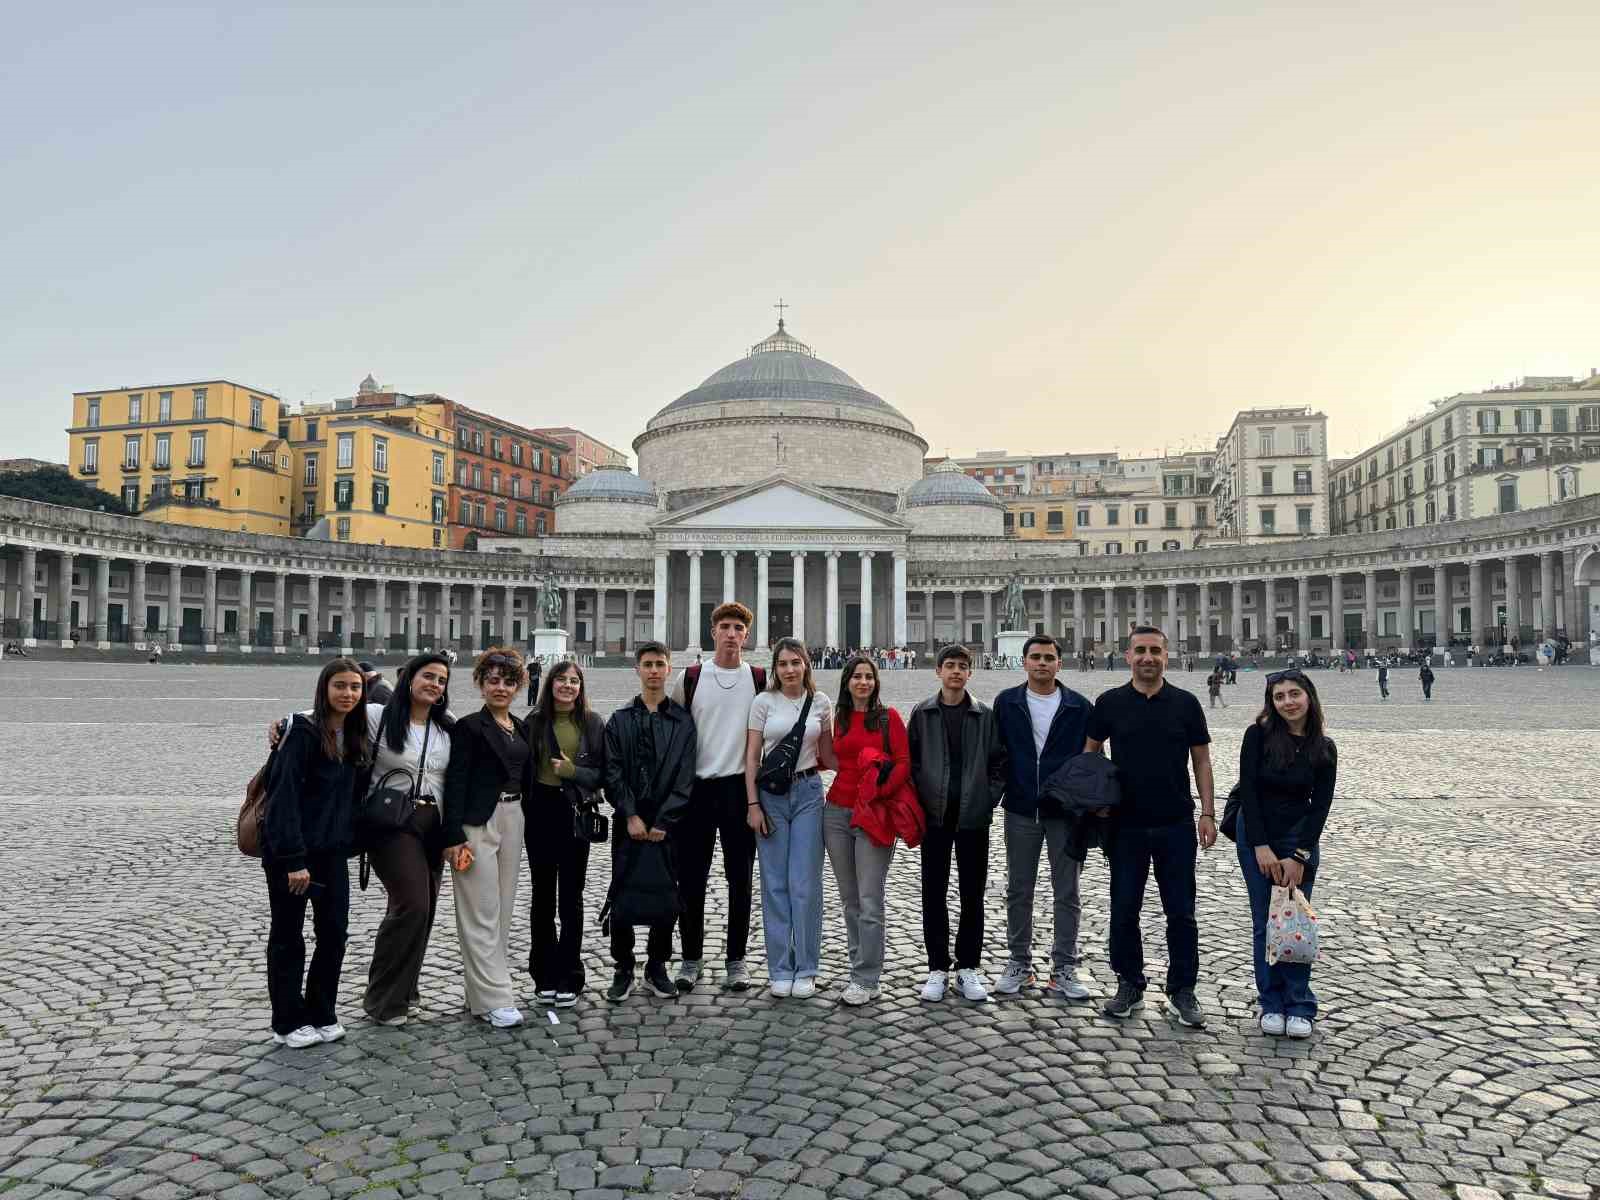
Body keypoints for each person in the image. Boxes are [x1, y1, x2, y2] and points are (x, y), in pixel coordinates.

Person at [1084, 625, 1215, 1028]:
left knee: (1182, 911)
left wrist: (1207, 812)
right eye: (1140, 650)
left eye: (1155, 651)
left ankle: (1182, 989)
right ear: (1128, 656)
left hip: (1175, 821)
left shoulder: (1187, 703)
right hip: (1126, 824)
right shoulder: (1108, 703)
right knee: (1124, 908)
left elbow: (1202, 761)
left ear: (1166, 655)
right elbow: (1091, 754)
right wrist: (1098, 802)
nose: (1147, 657)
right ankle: (1129, 983)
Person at [261, 658, 369, 1048]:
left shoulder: (356, 736)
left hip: (332, 852)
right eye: (340, 686)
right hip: (291, 854)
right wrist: (293, 860)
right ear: (324, 689)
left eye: (355, 687)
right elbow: (282, 798)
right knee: (288, 936)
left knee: (334, 934)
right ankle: (287, 1020)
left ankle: (323, 1010)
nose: (348, 694)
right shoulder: (302, 734)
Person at [991, 636, 1093, 1001]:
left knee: (1068, 891)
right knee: (1019, 889)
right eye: (1035, 657)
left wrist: (1080, 802)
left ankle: (1064, 966)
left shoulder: (1080, 707)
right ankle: (1019, 962)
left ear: (1059, 664)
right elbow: (995, 753)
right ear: (1024, 662)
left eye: (1049, 658)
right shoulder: (1007, 703)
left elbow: (1090, 761)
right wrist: (997, 792)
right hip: (1020, 807)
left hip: (1064, 814)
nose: (1042, 663)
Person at [670, 602, 765, 993]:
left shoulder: (759, 680)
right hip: (696, 791)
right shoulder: (690, 678)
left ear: (746, 635)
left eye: (737, 627)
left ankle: (736, 960)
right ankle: (690, 958)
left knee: (740, 879)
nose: (730, 633)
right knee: (690, 879)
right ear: (713, 632)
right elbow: (670, 732)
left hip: (739, 790)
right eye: (724, 626)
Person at [1235, 669, 1336, 1038]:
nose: (1288, 702)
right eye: (1279, 697)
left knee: (1294, 921)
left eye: (1294, 694)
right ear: (1271, 703)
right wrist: (1260, 846)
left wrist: (1299, 855)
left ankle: (1300, 1004)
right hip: (1256, 836)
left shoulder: (1323, 747)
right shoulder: (1257, 736)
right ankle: (1271, 1003)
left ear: (1308, 696)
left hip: (1299, 839)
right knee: (1265, 921)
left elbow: (1320, 807)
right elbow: (1248, 791)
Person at [907, 644, 1006, 1003]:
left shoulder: (985, 715)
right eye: (950, 666)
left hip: (972, 819)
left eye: (962, 667)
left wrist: (986, 799)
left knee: (972, 895)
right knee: (933, 894)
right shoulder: (922, 713)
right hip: (934, 818)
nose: (956, 672)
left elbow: (999, 764)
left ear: (970, 673)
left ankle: (968, 967)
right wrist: (921, 798)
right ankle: (937, 966)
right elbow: (911, 763)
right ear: (938, 671)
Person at [360, 654, 456, 1025]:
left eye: (441, 680)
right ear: (409, 679)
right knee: (412, 905)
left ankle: (405, 990)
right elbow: (323, 715)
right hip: (391, 824)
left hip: (433, 826)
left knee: (425, 910)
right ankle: (382, 1000)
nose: (434, 684)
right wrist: (284, 724)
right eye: (427, 676)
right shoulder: (376, 716)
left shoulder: (446, 727)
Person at [442, 647, 535, 1029]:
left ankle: (477, 992)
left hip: (514, 817)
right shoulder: (467, 727)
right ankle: (495, 999)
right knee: (479, 911)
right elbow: (455, 783)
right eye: (493, 680)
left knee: (502, 911)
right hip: (477, 823)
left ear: (519, 686)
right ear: (480, 684)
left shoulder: (520, 725)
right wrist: (452, 837)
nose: (501, 687)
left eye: (509, 681)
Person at [604, 642, 697, 1002]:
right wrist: (629, 813)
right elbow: (612, 773)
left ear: (669, 670)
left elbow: (686, 776)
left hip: (667, 823)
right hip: (629, 820)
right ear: (638, 670)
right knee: (623, 891)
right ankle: (623, 966)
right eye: (648, 664)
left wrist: (665, 820)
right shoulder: (619, 719)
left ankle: (657, 965)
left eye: (660, 664)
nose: (654, 671)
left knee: (664, 894)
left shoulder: (683, 722)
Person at [745, 638, 834, 998]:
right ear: (775, 668)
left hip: (809, 792)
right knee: (775, 884)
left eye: (795, 662)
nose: (789, 669)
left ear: (806, 665)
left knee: (806, 884)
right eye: (783, 664)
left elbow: (830, 754)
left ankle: (807, 967)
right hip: (771, 797)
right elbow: (751, 757)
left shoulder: (822, 703)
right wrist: (753, 805)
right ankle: (780, 967)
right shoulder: (763, 702)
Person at [825, 654, 910, 1005]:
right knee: (849, 900)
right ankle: (858, 967)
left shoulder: (888, 718)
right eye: (857, 676)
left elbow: (904, 762)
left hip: (874, 814)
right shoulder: (839, 718)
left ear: (876, 682)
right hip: (836, 813)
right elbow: (831, 759)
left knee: (870, 898)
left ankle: (867, 977)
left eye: (869, 677)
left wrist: (880, 791)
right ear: (847, 682)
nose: (863, 682)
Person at [525, 659, 605, 1007]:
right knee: (542, 896)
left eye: (574, 681)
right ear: (550, 684)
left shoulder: (591, 722)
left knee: (571, 896)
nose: (568, 686)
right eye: (561, 680)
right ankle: (543, 973)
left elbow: (602, 774)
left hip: (575, 811)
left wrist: (573, 771)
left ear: (581, 686)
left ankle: (570, 974)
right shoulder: (532, 722)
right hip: (539, 811)